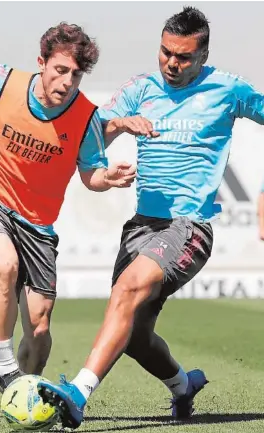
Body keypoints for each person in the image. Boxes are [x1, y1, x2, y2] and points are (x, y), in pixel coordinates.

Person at [38, 6, 264, 429]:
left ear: (202, 56)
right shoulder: (140, 88)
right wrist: (120, 123)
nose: (171, 64)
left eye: (183, 57)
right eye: (165, 53)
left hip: (189, 226)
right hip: (141, 226)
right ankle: (182, 386)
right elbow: (88, 135)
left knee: (126, 289)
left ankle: (78, 394)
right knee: (134, 335)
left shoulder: (229, 89)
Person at [0, 22, 136, 394]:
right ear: (42, 62)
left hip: (37, 225)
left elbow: (90, 174)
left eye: (76, 75)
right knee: (4, 265)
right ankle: (5, 367)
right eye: (61, 70)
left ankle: (21, 393)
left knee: (40, 329)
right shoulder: (2, 81)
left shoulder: (86, 117)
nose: (67, 81)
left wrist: (106, 178)